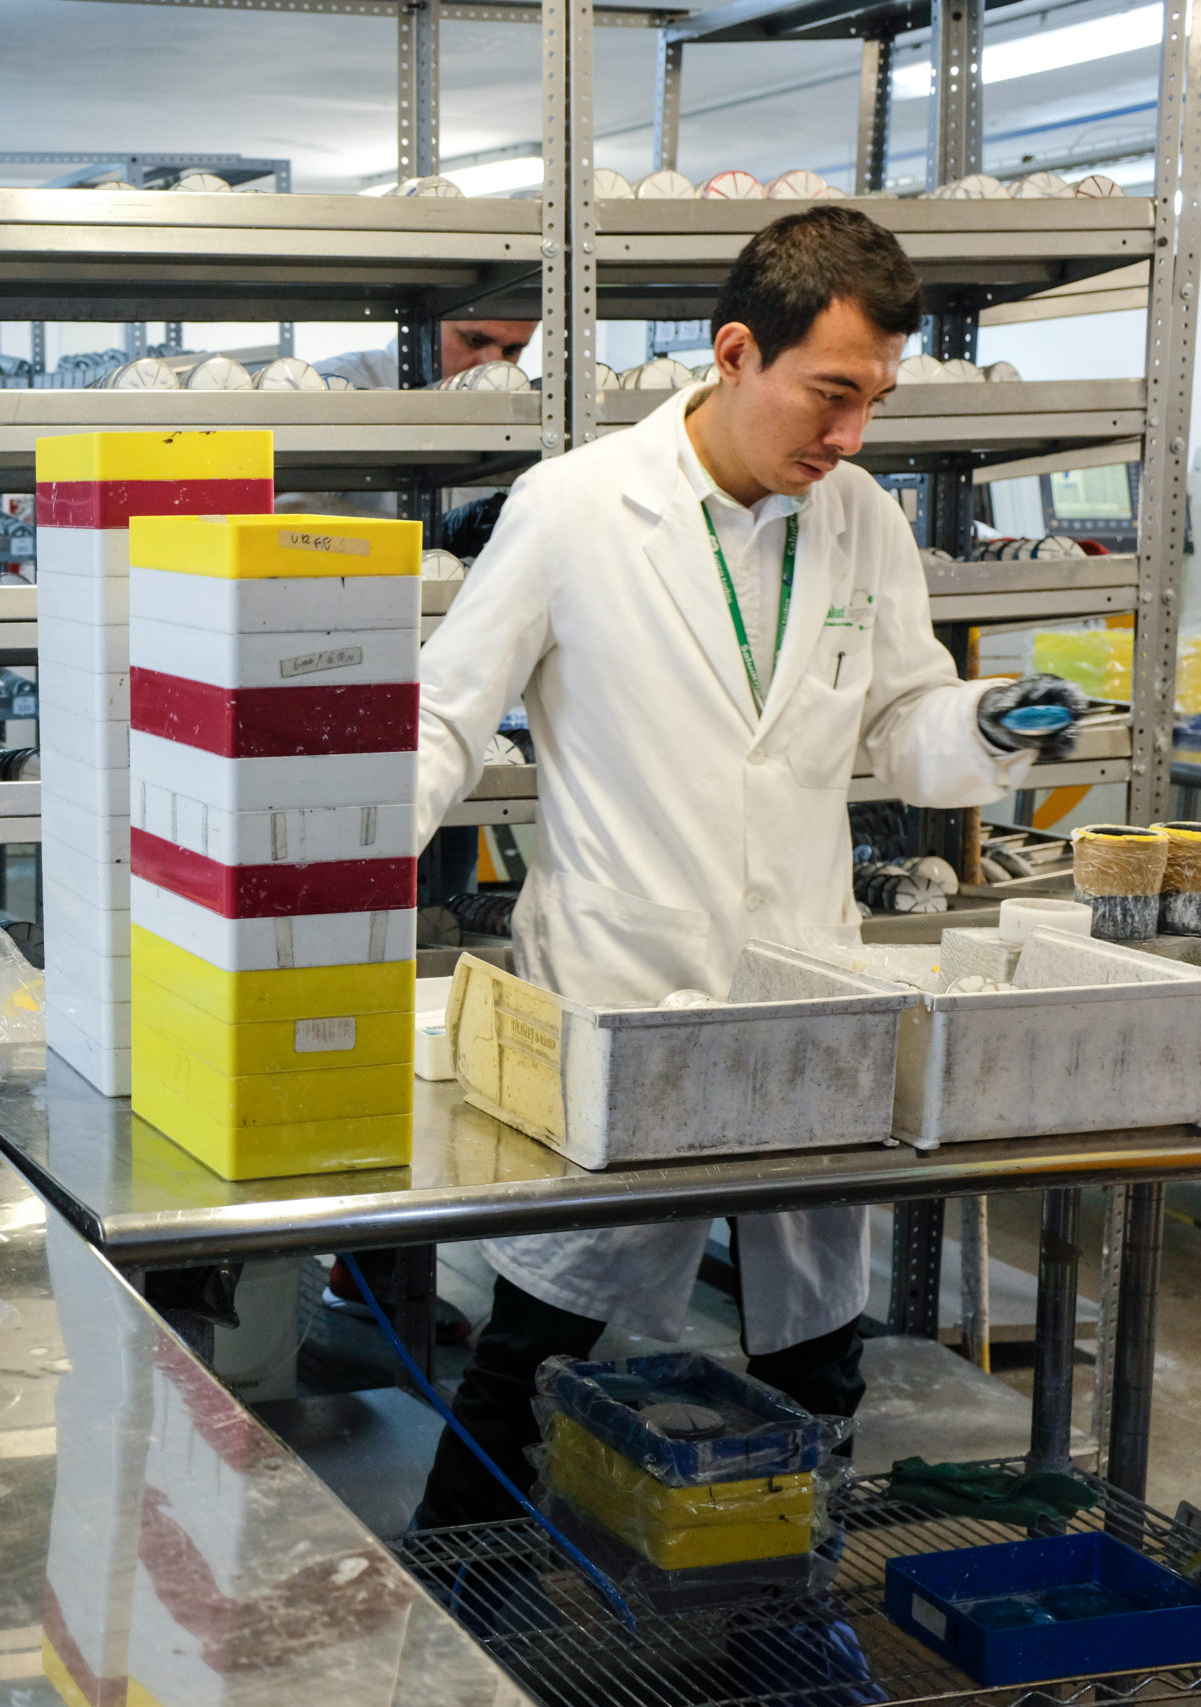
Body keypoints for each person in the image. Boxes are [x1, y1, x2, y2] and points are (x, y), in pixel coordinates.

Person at [408, 206, 1081, 1526]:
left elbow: (906, 722)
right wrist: (316, 857)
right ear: (733, 351)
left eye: (874, 400)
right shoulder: (575, 509)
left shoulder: (860, 522)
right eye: (831, 393)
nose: (850, 436)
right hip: (629, 994)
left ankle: (781, 1613)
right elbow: (446, 714)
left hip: (804, 997)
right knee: (539, 1351)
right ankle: (460, 1609)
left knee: (808, 1353)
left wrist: (991, 722)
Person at [316, 317, 541, 390]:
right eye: (474, 340)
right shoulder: (326, 385)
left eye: (512, 350)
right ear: (424, 324)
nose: (494, 366)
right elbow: (285, 501)